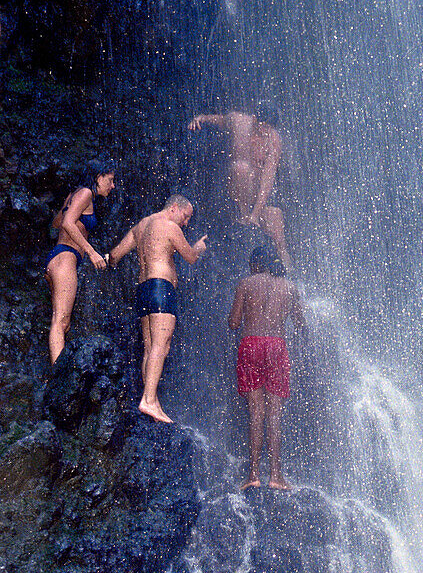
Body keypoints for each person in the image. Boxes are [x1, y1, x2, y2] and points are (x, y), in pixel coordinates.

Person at [107, 195, 207, 423]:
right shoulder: (169, 226)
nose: (186, 222)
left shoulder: (141, 226)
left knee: (151, 347)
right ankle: (149, 400)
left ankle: (153, 402)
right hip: (161, 287)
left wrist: (102, 260)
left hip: (143, 289)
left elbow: (115, 255)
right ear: (174, 208)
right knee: (162, 345)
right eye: (185, 216)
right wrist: (199, 247)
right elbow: (190, 257)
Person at [229, 245, 306, 490]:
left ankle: (253, 475)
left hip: (250, 345)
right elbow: (301, 325)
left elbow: (233, 323)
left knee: (256, 412)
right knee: (275, 413)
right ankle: (275, 476)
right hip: (276, 347)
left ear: (255, 264)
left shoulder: (246, 284)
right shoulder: (290, 287)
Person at [188, 103, 290, 269]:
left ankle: (288, 277)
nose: (265, 133)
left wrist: (256, 213)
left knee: (276, 220)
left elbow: (268, 178)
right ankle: (243, 214)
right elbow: (220, 120)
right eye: (263, 128)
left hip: (258, 195)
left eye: (268, 130)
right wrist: (200, 118)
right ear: (255, 120)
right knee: (241, 168)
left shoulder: (274, 139)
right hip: (236, 188)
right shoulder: (238, 122)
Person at [45, 158, 116, 363]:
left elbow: (57, 222)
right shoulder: (85, 193)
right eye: (110, 180)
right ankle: (58, 378)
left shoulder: (75, 195)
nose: (113, 185)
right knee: (60, 322)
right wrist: (91, 252)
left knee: (62, 323)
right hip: (65, 258)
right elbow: (67, 223)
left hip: (58, 258)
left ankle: (57, 372)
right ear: (98, 177)